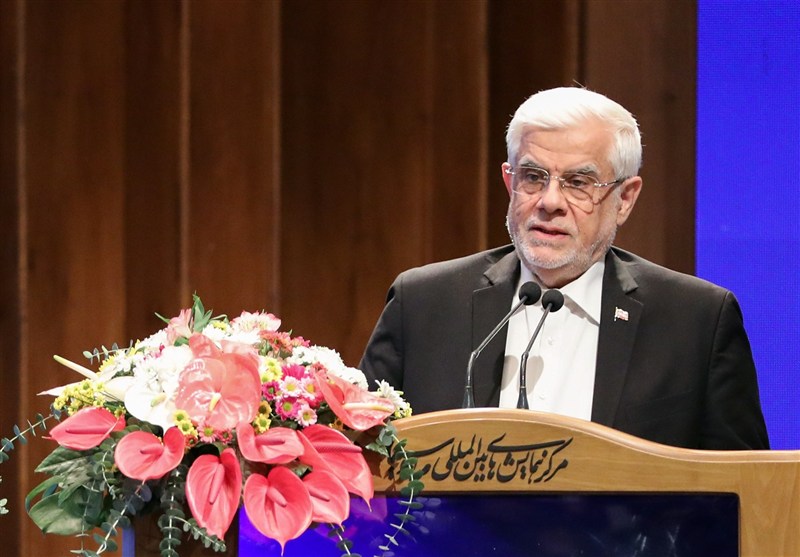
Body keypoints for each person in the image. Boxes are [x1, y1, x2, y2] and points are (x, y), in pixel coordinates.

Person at [359, 87, 769, 450]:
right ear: (509, 182)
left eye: (578, 182)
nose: (550, 202)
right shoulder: (423, 304)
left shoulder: (695, 322)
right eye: (533, 177)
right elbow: (356, 462)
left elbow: (745, 489)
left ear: (625, 199)